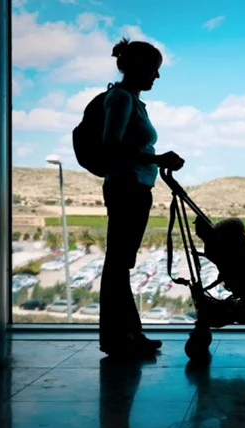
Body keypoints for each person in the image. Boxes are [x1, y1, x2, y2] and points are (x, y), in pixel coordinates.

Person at [99, 38, 185, 358]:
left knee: (121, 264)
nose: (157, 77)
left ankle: (129, 333)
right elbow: (111, 146)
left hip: (134, 187)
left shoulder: (131, 100)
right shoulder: (121, 99)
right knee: (118, 264)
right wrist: (157, 158)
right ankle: (119, 337)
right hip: (127, 187)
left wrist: (155, 160)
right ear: (137, 68)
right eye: (154, 69)